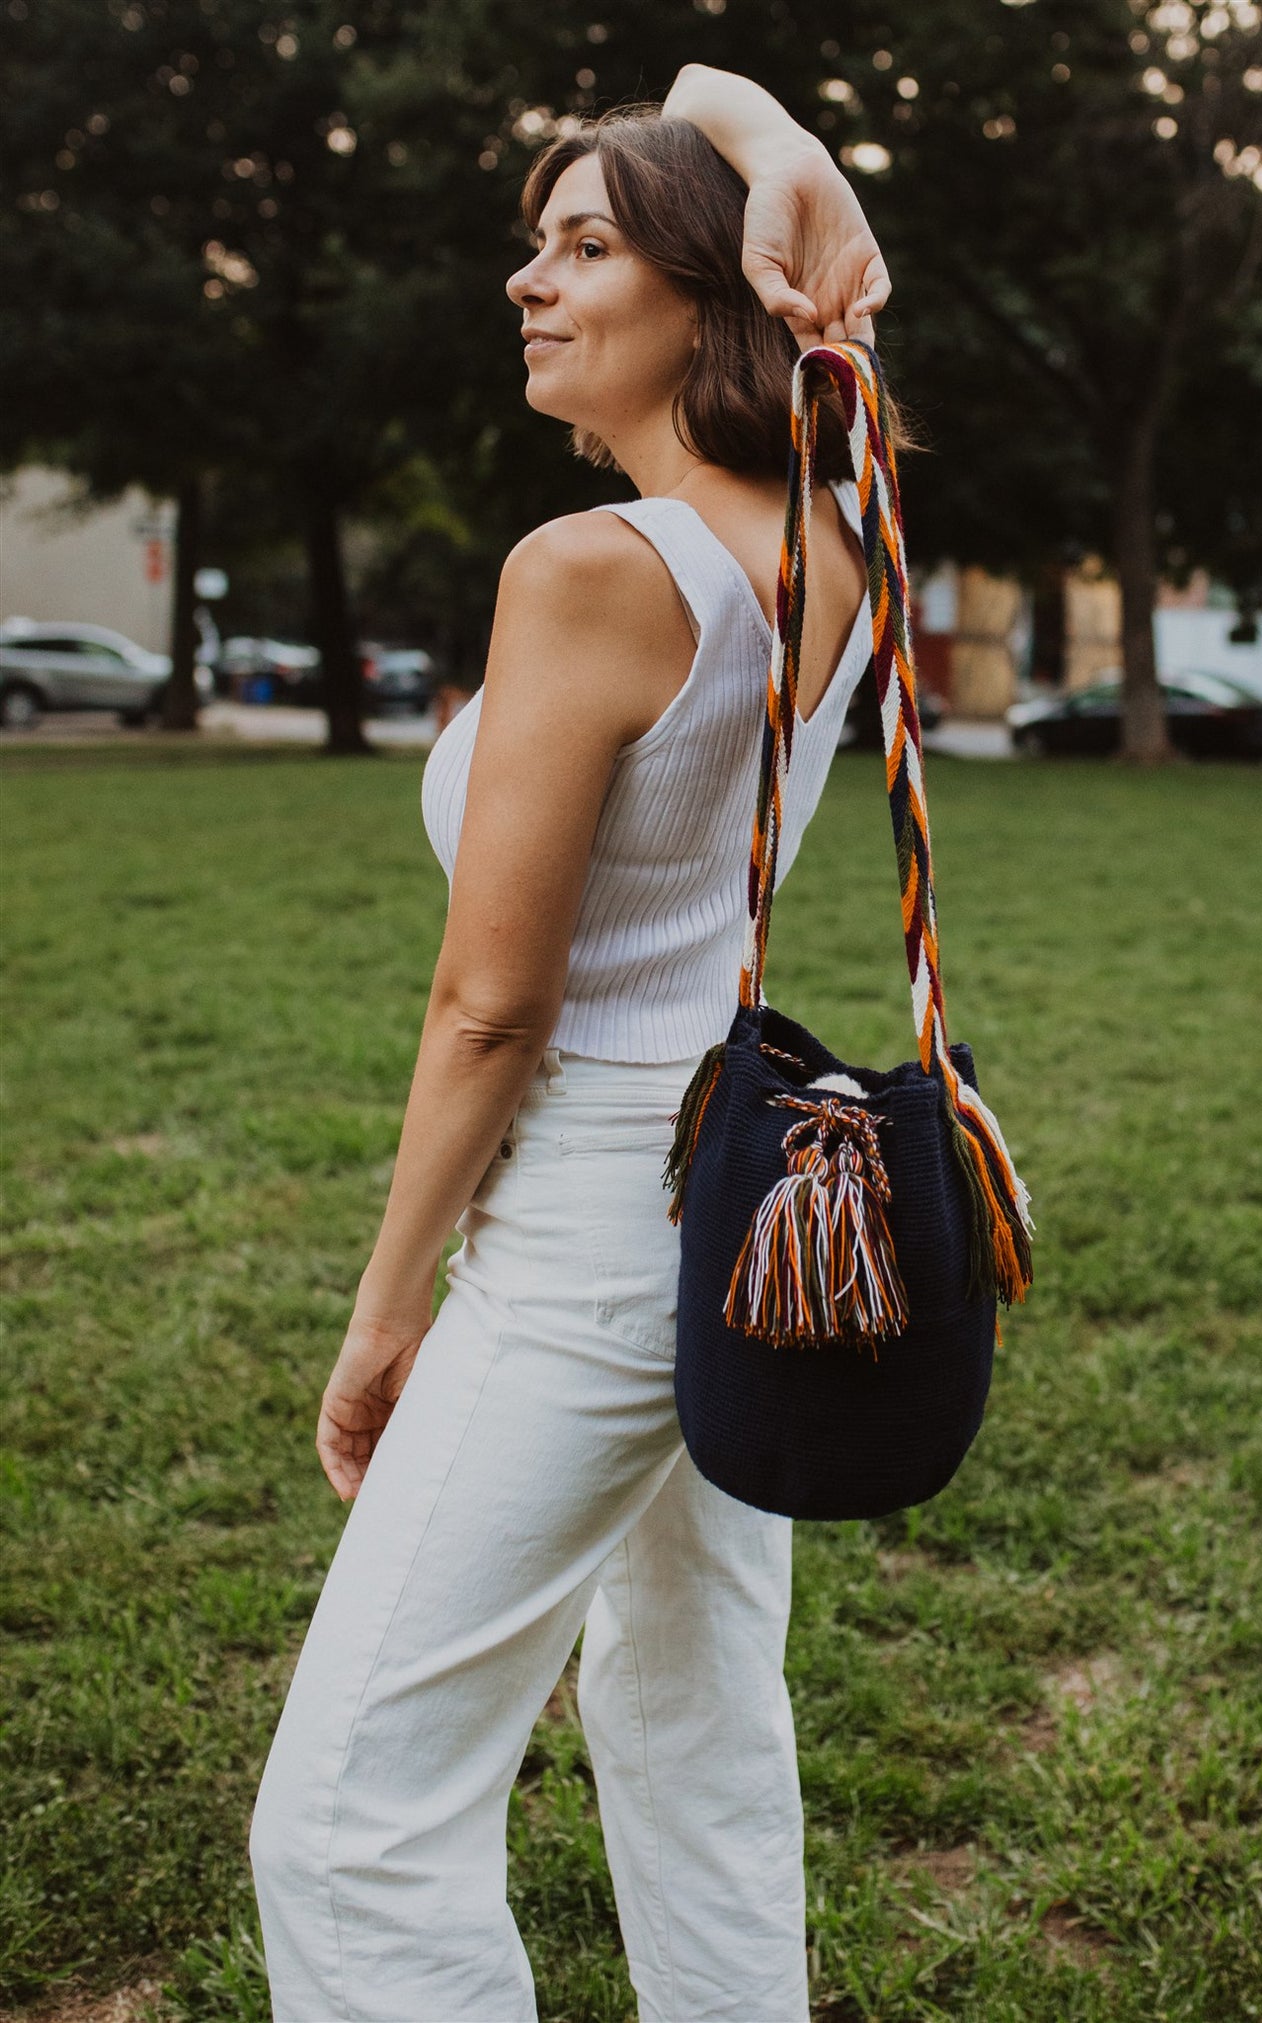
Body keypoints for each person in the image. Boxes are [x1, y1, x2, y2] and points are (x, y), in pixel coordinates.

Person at [249, 63, 903, 2023]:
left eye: (589, 244)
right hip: (731, 1206)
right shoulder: (837, 533)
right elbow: (720, 100)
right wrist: (788, 160)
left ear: (710, 299)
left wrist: (385, 1313)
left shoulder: (590, 573)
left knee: (353, 1820)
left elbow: (489, 1006)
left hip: (593, 1241)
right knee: (694, 1722)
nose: (530, 283)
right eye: (533, 244)